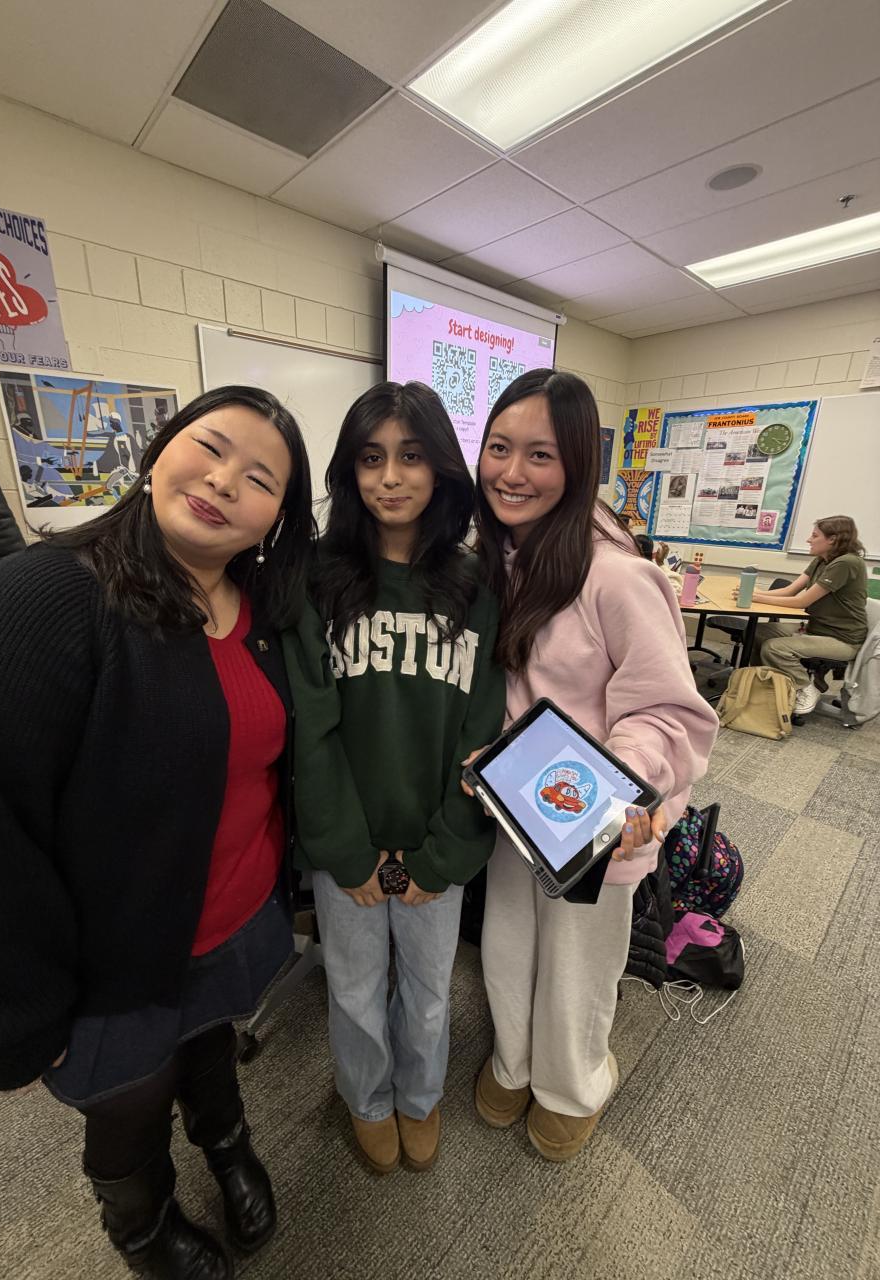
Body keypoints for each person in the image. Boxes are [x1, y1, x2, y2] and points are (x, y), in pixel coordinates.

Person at [0, 386, 315, 1279]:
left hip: (232, 919)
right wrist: (6, 1018)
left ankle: (226, 1141)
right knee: (130, 1099)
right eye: (209, 447)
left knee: (210, 1046)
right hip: (114, 961)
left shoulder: (263, 610)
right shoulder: (47, 597)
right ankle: (142, 1225)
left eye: (260, 480)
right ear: (157, 450)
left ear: (275, 521)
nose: (224, 481)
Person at [469, 369, 718, 1162]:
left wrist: (614, 791)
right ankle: (514, 1063)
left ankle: (571, 1086)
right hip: (514, 811)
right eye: (499, 448)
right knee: (509, 945)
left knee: (577, 965)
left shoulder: (616, 576)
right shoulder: (494, 559)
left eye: (540, 454)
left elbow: (667, 712)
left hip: (595, 821)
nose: (513, 472)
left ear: (578, 464)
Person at [282, 381, 504, 1176]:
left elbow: (482, 732)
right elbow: (312, 727)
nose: (390, 477)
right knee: (352, 990)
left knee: (431, 992)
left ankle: (419, 1096)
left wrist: (441, 855)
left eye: (411, 456)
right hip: (346, 841)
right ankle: (367, 1100)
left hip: (435, 841)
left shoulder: (477, 586)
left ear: (440, 467)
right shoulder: (317, 579)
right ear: (350, 470)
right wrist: (348, 851)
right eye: (371, 458)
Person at [746, 515, 869, 715]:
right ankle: (767, 683)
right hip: (817, 629)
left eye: (814, 536)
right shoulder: (821, 560)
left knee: (774, 648)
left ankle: (805, 687)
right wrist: (754, 593)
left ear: (833, 539)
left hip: (842, 639)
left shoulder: (846, 563)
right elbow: (789, 591)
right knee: (758, 631)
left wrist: (756, 598)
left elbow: (801, 602)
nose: (808, 540)